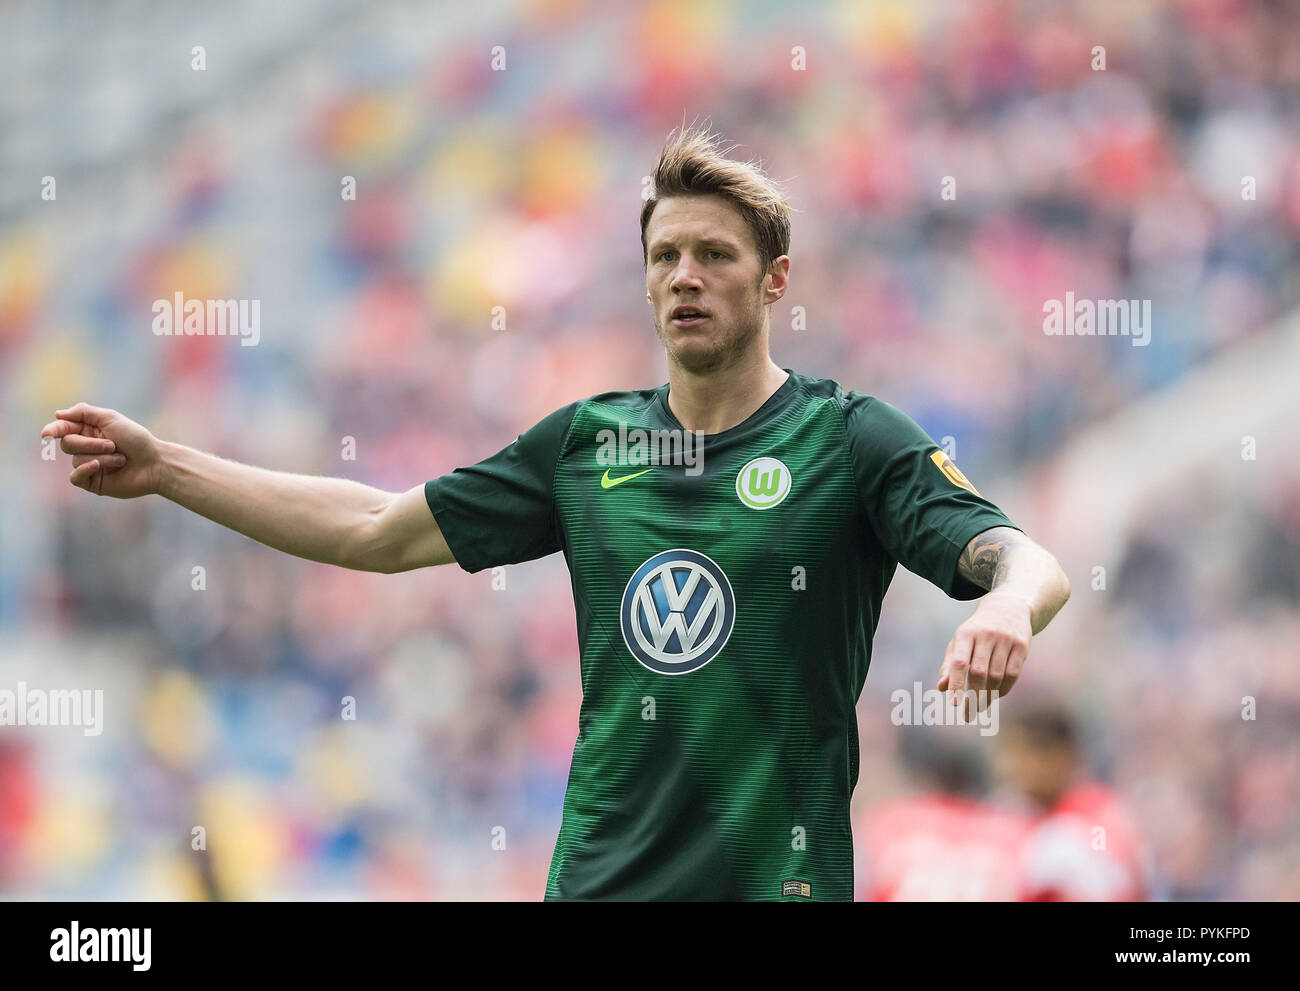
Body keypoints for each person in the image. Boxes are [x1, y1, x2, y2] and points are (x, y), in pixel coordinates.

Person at [40, 122, 1071, 901]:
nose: (684, 277)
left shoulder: (847, 439)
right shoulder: (588, 444)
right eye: (665, 256)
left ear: (774, 280)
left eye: (714, 254)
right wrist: (167, 464)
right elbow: (374, 528)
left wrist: (1002, 607)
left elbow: (1026, 560)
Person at [995, 700, 1150, 901]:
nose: (1012, 767)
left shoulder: (1088, 822)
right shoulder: (1014, 811)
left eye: (1024, 753)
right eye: (1009, 753)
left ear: (1063, 755)